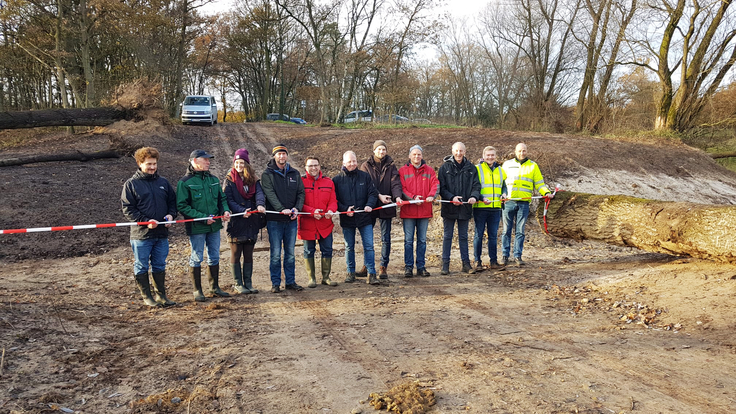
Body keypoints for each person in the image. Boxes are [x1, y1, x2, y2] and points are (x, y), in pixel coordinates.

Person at [121, 147, 178, 307]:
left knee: (160, 264)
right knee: (141, 265)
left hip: (161, 234)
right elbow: (128, 209)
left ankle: (161, 296)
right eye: (148, 164)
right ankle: (147, 296)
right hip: (141, 235)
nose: (152, 167)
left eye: (154, 164)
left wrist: (171, 216)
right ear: (140, 164)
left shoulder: (163, 183)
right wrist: (145, 221)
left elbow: (172, 203)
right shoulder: (131, 184)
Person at [177, 149, 232, 302]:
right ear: (194, 161)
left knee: (214, 256)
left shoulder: (213, 179)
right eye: (205, 159)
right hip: (197, 228)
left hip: (214, 227)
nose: (208, 162)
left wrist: (225, 210)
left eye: (209, 160)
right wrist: (202, 218)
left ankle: (214, 287)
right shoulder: (185, 182)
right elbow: (182, 206)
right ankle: (197, 290)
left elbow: (222, 199)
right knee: (196, 257)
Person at [261, 144, 306, 293]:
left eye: (284, 154)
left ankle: (290, 281)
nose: (282, 156)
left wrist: (297, 209)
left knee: (290, 253)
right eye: (279, 154)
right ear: (274, 156)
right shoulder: (267, 174)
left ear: (287, 156)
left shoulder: (295, 173)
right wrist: (281, 209)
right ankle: (275, 283)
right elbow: (269, 194)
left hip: (291, 221)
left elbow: (301, 193)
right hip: (275, 220)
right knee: (275, 253)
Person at [501, 143, 553, 266]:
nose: (522, 153)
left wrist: (546, 192)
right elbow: (500, 182)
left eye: (524, 151)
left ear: (527, 151)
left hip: (524, 203)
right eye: (519, 151)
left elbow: (539, 184)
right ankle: (504, 256)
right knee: (506, 230)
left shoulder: (533, 166)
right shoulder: (507, 165)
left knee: (520, 231)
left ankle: (518, 256)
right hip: (509, 201)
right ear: (515, 151)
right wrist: (500, 195)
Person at [223, 148, 266, 294]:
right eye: (237, 162)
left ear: (246, 164)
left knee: (249, 253)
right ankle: (237, 283)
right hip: (236, 222)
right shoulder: (229, 180)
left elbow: (259, 193)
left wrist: (260, 204)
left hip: (251, 222)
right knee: (236, 253)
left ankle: (248, 282)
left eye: (242, 162)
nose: (239, 165)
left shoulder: (253, 179)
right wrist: (241, 211)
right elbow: (228, 199)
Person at [333, 151, 379, 285]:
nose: (352, 164)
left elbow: (372, 193)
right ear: (343, 163)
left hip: (365, 218)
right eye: (349, 162)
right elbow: (334, 200)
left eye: (354, 161)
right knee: (349, 247)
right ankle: (350, 272)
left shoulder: (365, 177)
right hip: (347, 219)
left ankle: (371, 273)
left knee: (369, 246)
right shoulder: (337, 180)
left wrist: (369, 205)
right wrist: (344, 209)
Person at [359, 140, 403, 280]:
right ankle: (367, 265)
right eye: (379, 149)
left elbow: (395, 183)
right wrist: (378, 195)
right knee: (368, 238)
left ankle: (383, 266)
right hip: (370, 205)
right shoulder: (365, 166)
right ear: (374, 151)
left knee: (386, 238)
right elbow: (367, 184)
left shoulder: (391, 166)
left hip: (386, 205)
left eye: (384, 149)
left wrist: (397, 197)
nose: (381, 152)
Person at [438, 142, 481, 275]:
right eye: (456, 151)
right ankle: (445, 265)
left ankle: (466, 264)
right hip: (449, 207)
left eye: (461, 151)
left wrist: (474, 196)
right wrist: (451, 198)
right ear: (452, 151)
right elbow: (442, 188)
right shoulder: (444, 168)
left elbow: (476, 186)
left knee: (463, 236)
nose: (458, 153)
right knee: (447, 236)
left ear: (465, 151)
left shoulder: (471, 168)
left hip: (465, 208)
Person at [398, 145, 439, 277]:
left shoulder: (429, 171)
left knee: (422, 240)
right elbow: (402, 188)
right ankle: (408, 267)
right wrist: (413, 197)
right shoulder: (403, 171)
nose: (417, 157)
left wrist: (432, 195)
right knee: (408, 241)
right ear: (409, 156)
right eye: (414, 154)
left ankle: (421, 266)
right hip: (409, 211)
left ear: (422, 156)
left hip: (424, 211)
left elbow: (435, 184)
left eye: (419, 154)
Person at [299, 156, 338, 288]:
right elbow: (298, 203)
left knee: (327, 250)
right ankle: (311, 278)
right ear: (306, 168)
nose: (313, 168)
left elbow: (333, 200)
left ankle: (326, 277)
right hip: (308, 223)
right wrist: (312, 211)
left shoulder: (328, 182)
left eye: (316, 165)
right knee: (308, 250)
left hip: (325, 223)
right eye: (310, 166)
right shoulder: (301, 182)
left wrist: (331, 210)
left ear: (320, 166)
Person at [473, 146, 507, 272]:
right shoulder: (477, 168)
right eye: (488, 155)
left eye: (492, 155)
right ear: (483, 155)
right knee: (479, 235)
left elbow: (503, 186)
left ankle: (493, 261)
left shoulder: (500, 169)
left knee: (493, 236)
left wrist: (504, 193)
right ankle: (477, 262)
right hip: (481, 207)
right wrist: (481, 198)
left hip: (496, 208)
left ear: (495, 156)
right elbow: (474, 187)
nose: (490, 157)